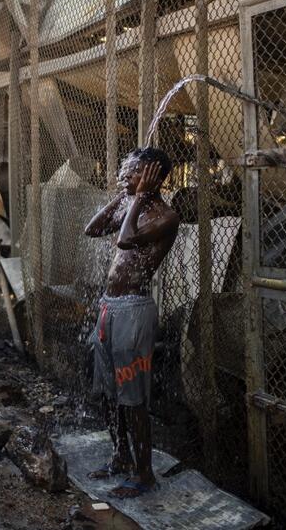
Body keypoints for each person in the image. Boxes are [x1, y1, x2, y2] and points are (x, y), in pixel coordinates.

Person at [83, 147, 180, 499]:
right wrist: (126, 196)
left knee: (132, 397)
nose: (125, 176)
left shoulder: (165, 216)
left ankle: (144, 474)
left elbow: (125, 240)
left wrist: (137, 198)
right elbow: (92, 229)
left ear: (155, 177)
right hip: (110, 307)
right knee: (109, 393)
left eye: (134, 171)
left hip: (134, 310)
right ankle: (121, 457)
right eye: (125, 170)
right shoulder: (130, 205)